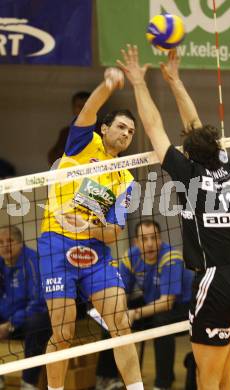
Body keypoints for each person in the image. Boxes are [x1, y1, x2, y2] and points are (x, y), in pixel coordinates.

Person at [117, 46, 230, 390]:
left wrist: (139, 82)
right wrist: (175, 81)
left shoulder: (187, 174)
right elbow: (196, 127)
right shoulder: (226, 163)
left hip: (216, 283)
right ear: (215, 145)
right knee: (224, 378)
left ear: (190, 154)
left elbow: (154, 128)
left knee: (207, 380)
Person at [38, 68, 144, 390]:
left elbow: (113, 232)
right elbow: (89, 109)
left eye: (131, 131)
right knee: (64, 332)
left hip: (95, 251)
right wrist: (109, 84)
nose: (126, 134)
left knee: (121, 323)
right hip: (56, 244)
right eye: (121, 127)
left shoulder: (126, 180)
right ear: (104, 128)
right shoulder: (83, 143)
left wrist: (90, 227)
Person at [96, 219, 194, 390]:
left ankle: (162, 384)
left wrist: (134, 314)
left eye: (154, 238)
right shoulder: (130, 257)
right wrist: (118, 311)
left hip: (183, 306)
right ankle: (108, 378)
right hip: (151, 303)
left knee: (161, 323)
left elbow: (166, 303)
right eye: (144, 239)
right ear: (136, 242)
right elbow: (122, 293)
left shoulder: (171, 258)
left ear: (160, 239)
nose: (149, 244)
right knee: (112, 320)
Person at [0, 226, 51, 390]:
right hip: (6, 320)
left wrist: (10, 324)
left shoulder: (32, 261)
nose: (5, 246)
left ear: (20, 243)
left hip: (28, 319)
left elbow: (38, 302)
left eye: (10, 241)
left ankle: (28, 383)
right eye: (0, 243)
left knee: (37, 322)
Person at [48, 91, 90, 166]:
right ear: (73, 109)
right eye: (79, 106)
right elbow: (53, 158)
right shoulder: (66, 133)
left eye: (85, 106)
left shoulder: (102, 130)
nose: (82, 110)